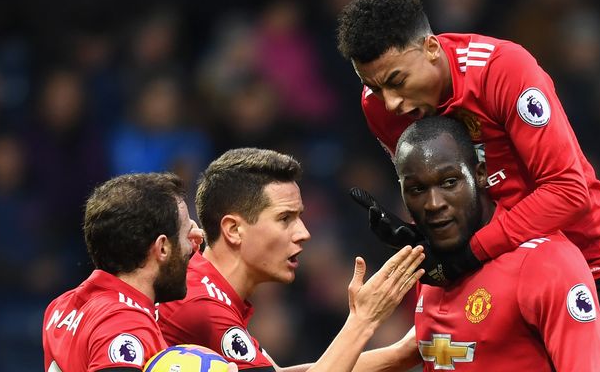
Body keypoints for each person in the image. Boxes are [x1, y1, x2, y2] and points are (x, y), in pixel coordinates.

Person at [336, 0, 600, 372]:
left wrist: (470, 252)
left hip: (597, 266)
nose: (390, 103)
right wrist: (421, 237)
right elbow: (440, 187)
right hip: (502, 274)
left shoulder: (501, 70)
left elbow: (569, 191)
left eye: (397, 80)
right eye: (373, 86)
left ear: (432, 49)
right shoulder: (380, 108)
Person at [353, 115, 600, 371]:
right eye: (417, 189)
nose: (434, 204)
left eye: (449, 182)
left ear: (480, 174)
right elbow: (424, 348)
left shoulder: (546, 264)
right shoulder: (435, 267)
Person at [157, 148, 425, 371]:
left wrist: (403, 352)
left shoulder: (208, 288)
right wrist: (363, 320)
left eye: (299, 217)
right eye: (285, 218)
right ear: (233, 230)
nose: (304, 233)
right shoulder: (201, 303)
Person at [42, 173, 207, 372]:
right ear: (162, 247)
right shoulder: (125, 321)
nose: (193, 244)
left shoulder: (63, 305)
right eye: (186, 234)